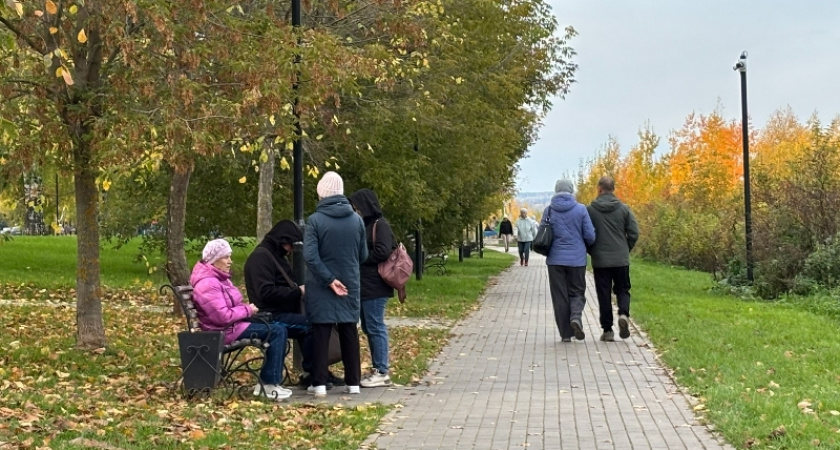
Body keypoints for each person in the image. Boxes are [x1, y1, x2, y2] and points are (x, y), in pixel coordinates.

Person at [244, 220, 345, 389]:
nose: (291, 250)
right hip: (269, 315)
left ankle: (316, 372)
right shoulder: (261, 258)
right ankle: (314, 374)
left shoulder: (274, 256)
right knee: (309, 325)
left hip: (278, 311)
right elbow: (266, 293)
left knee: (313, 321)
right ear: (281, 241)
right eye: (290, 245)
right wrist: (298, 291)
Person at [190, 239, 292, 401]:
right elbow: (222, 317)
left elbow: (229, 307)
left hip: (232, 326)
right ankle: (268, 384)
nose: (230, 261)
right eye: (226, 257)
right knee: (277, 331)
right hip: (222, 331)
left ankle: (269, 382)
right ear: (214, 259)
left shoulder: (219, 278)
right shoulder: (208, 284)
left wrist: (247, 310)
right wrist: (247, 310)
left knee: (276, 327)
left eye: (229, 256)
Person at [303, 171, 368, 397]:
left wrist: (329, 279)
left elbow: (310, 256)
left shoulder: (315, 221)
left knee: (321, 331)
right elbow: (363, 254)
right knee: (349, 330)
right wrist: (344, 273)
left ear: (322, 192)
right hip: (350, 282)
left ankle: (319, 383)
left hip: (321, 284)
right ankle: (353, 383)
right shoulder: (357, 220)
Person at [348, 188, 396, 388]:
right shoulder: (363, 225)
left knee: (375, 326)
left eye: (357, 207)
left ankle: (382, 369)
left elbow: (383, 251)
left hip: (375, 285)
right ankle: (378, 367)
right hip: (365, 285)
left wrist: (360, 257)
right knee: (369, 327)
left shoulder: (379, 225)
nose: (355, 210)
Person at [586, 176, 640, 342]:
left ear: (600, 189)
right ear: (613, 189)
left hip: (600, 260)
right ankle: (623, 314)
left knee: (603, 294)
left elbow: (586, 233)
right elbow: (634, 232)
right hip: (621, 259)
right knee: (623, 289)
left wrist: (592, 250)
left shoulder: (590, 210)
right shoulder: (624, 209)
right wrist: (626, 248)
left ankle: (608, 330)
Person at [542, 179, 595, 342]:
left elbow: (542, 233)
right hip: (577, 260)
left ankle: (565, 334)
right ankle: (576, 317)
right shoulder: (581, 209)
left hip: (555, 260)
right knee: (577, 291)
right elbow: (590, 235)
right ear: (571, 191)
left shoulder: (549, 210)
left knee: (559, 296)